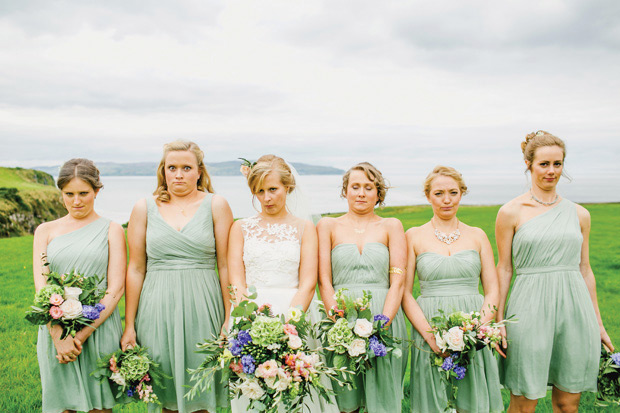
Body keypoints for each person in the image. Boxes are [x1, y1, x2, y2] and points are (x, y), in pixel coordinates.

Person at [496, 130, 613, 413]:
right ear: (529, 165)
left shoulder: (580, 214)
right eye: (544, 164)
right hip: (528, 308)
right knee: (524, 402)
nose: (551, 171)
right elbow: (504, 268)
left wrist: (597, 322)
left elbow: (585, 269)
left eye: (557, 164)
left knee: (567, 403)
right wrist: (498, 319)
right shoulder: (511, 212)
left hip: (574, 310)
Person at [121, 141, 233, 413]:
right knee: (165, 389)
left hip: (205, 305)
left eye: (186, 167)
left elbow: (226, 266)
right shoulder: (143, 207)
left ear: (199, 172)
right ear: (163, 172)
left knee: (202, 387)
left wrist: (229, 317)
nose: (179, 174)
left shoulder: (216, 205)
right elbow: (136, 268)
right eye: (172, 168)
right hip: (156, 306)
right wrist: (129, 324)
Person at [228, 154, 339, 413]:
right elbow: (236, 280)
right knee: (253, 391)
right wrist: (251, 322)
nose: (267, 198)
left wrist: (289, 324)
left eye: (273, 190)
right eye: (259, 191)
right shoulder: (240, 228)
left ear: (287, 187)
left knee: (295, 389)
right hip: (250, 316)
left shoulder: (304, 228)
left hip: (294, 314)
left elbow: (308, 282)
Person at [403, 166, 503, 412]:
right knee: (433, 398)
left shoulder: (477, 235)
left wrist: (476, 330)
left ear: (462, 194)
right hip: (430, 324)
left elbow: (493, 290)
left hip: (473, 327)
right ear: (428, 196)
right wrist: (429, 335)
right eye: (439, 193)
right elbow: (404, 292)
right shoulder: (413, 236)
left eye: (453, 192)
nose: (446, 200)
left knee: (472, 398)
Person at [32, 158, 126, 413]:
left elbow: (115, 289)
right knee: (62, 405)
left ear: (97, 190)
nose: (76, 201)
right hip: (55, 327)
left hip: (99, 329)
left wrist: (80, 335)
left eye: (84, 193)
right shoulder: (45, 231)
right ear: (61, 192)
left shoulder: (112, 229)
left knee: (100, 406)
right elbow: (42, 287)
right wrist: (58, 335)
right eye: (69, 194)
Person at [317, 162, 408, 413]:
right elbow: (324, 280)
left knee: (383, 399)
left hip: (384, 313)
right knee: (346, 401)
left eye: (368, 187)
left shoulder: (392, 226)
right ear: (345, 190)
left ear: (378, 193)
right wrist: (340, 323)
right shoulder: (327, 226)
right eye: (355, 186)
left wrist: (383, 323)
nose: (361, 193)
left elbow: (397, 279)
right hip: (340, 317)